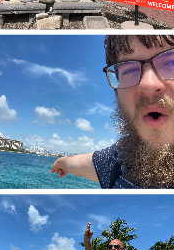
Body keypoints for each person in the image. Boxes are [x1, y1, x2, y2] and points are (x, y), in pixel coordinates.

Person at [49, 35, 174, 187]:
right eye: (129, 71)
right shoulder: (119, 160)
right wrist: (61, 163)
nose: (147, 84)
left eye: (171, 62)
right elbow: (84, 163)